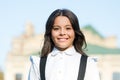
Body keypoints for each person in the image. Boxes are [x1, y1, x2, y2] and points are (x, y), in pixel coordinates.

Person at [28, 9, 100, 80]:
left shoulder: (88, 63)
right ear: (50, 32)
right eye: (56, 28)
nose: (62, 33)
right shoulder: (38, 64)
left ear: (75, 32)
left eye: (68, 28)